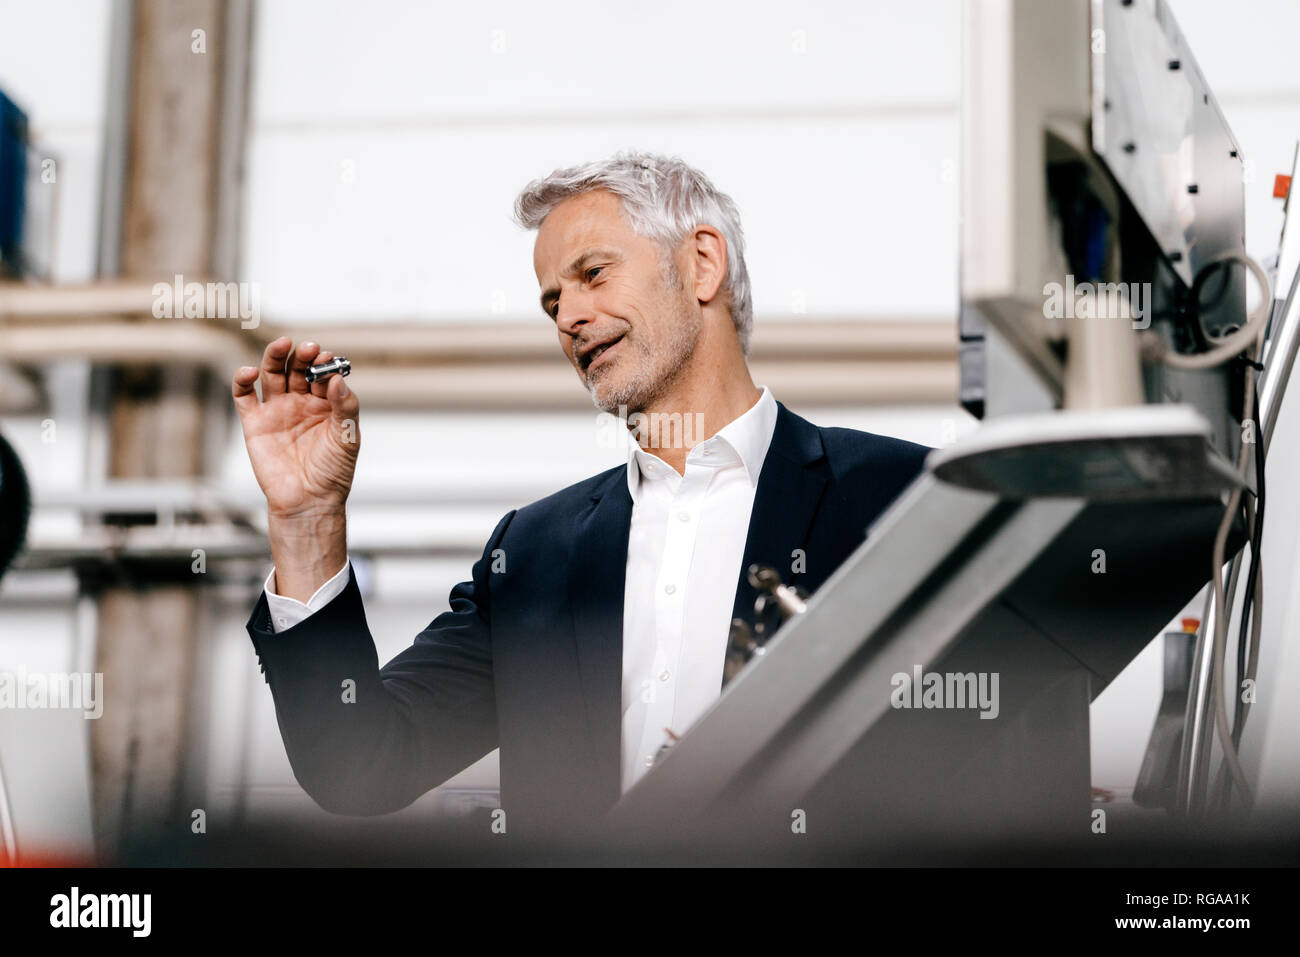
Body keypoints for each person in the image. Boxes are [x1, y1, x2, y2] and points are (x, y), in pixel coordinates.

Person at [231, 150, 931, 834]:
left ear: (702, 263)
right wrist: (308, 519)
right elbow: (360, 764)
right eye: (552, 302)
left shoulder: (900, 497)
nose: (568, 318)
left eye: (592, 274)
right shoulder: (532, 557)